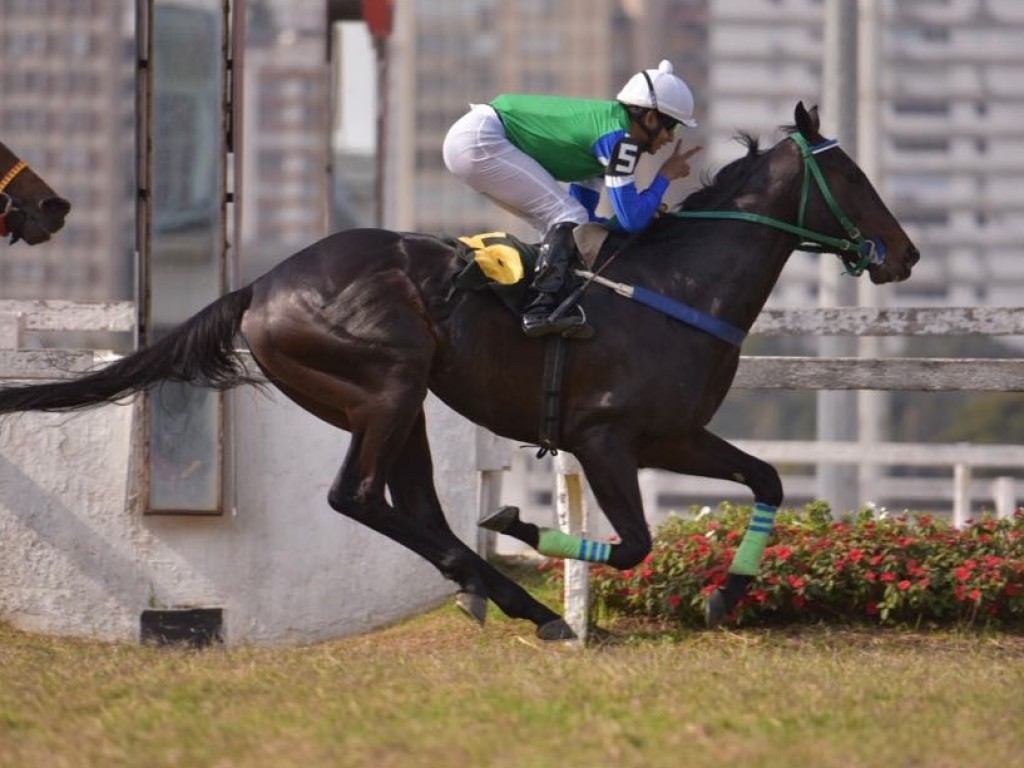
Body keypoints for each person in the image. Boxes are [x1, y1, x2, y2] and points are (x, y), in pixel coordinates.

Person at [443, 59, 702, 338]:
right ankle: (540, 310)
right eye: (672, 127)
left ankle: (538, 301)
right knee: (566, 217)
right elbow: (632, 221)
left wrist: (619, 219)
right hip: (481, 139)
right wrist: (664, 177)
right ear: (650, 118)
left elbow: (584, 222)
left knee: (566, 222)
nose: (670, 138)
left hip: (474, 139)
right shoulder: (619, 141)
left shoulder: (610, 134)